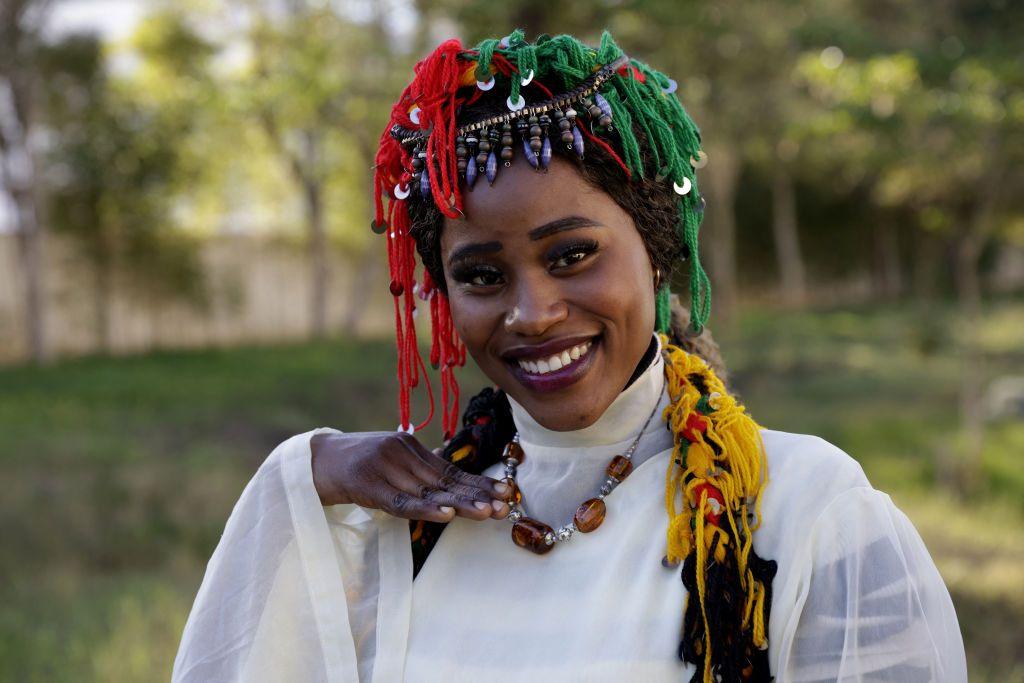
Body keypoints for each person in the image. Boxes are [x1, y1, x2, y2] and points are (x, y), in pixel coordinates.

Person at [172, 30, 967, 682]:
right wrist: (304, 475)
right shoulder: (404, 533)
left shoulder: (806, 512)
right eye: (481, 275)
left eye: (572, 255)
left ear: (655, 252)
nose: (532, 312)